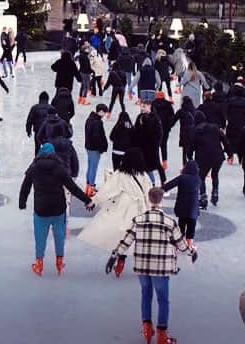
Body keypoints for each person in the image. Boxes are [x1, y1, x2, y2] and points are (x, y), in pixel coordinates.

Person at [106, 187, 197, 344]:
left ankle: (147, 329)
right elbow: (181, 244)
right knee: (163, 300)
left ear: (149, 200)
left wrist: (114, 255)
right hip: (161, 268)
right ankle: (162, 335)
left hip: (142, 266)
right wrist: (192, 252)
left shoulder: (139, 220)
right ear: (162, 200)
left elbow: (126, 240)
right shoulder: (169, 222)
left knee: (146, 295)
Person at [19, 143, 96, 277]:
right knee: (59, 236)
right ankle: (59, 262)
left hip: (41, 209)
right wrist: (87, 200)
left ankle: (39, 263)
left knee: (40, 237)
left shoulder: (34, 167)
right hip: (58, 208)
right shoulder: (59, 168)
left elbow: (25, 186)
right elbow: (73, 187)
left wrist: (22, 202)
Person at [79, 147, 151, 254]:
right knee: (136, 233)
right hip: (139, 208)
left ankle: (119, 255)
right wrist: (150, 209)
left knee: (119, 232)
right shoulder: (144, 176)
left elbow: (108, 189)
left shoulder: (120, 174)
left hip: (123, 206)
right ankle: (129, 255)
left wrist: (94, 201)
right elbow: (148, 194)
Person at [191, 109, 232, 209]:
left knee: (201, 176)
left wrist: (189, 156)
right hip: (218, 156)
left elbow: (192, 145)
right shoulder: (215, 127)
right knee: (215, 174)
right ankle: (215, 192)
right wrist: (229, 152)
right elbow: (224, 139)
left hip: (204, 157)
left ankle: (203, 197)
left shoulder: (197, 130)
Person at [163, 161, 200, 247]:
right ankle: (189, 245)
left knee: (181, 227)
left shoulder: (182, 178)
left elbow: (169, 185)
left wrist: (160, 190)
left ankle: (178, 246)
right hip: (193, 209)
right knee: (191, 228)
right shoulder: (198, 179)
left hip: (182, 208)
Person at [133, 97, 165, 185]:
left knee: (157, 164)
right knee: (146, 166)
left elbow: (159, 132)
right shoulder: (140, 117)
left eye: (144, 106)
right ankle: (151, 183)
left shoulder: (155, 117)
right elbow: (136, 130)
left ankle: (163, 182)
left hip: (152, 146)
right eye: (141, 106)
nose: (142, 108)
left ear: (149, 106)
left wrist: (157, 144)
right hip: (142, 146)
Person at [84, 104, 109, 196]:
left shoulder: (89, 119)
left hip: (88, 146)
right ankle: (91, 187)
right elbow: (97, 137)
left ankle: (88, 187)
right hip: (94, 148)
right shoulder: (97, 122)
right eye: (104, 112)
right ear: (101, 111)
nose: (104, 115)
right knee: (93, 168)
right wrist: (100, 148)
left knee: (90, 166)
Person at [152, 92, 175, 171]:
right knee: (164, 144)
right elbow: (172, 116)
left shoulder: (153, 104)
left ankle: (156, 162)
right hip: (165, 128)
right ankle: (164, 162)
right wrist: (169, 126)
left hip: (155, 128)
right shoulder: (168, 105)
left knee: (155, 145)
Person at [25, 91, 54, 156]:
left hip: (38, 130)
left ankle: (37, 161)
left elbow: (29, 120)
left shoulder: (34, 108)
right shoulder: (51, 108)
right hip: (48, 132)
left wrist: (28, 130)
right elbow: (55, 120)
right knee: (48, 147)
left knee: (37, 147)